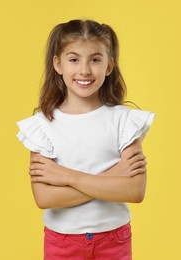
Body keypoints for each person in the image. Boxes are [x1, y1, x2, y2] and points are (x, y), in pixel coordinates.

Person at [16, 19, 156, 260]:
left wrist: (67, 177)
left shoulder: (124, 121)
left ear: (109, 66)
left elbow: (134, 190)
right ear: (57, 64)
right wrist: (113, 177)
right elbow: (45, 197)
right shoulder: (42, 126)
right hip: (62, 242)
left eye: (95, 59)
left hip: (113, 239)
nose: (84, 70)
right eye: (74, 59)